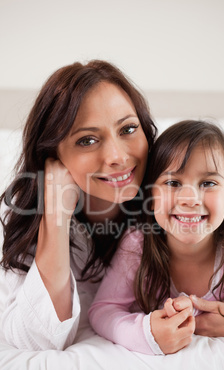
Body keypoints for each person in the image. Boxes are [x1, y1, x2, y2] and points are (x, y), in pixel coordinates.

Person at [0, 59, 156, 350]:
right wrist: (56, 216)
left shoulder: (174, 199)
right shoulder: (20, 213)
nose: (117, 156)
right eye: (87, 140)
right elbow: (37, 337)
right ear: (53, 155)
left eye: (128, 129)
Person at [88, 120, 224, 355]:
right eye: (173, 182)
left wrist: (202, 316)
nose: (190, 198)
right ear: (151, 198)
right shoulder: (137, 244)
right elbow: (103, 310)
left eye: (208, 183)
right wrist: (145, 333)